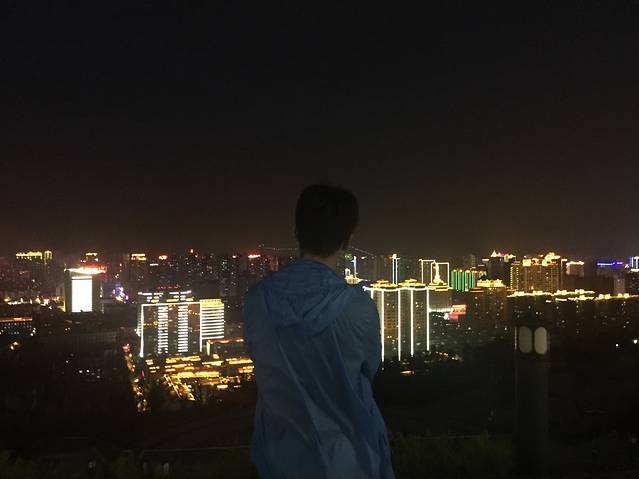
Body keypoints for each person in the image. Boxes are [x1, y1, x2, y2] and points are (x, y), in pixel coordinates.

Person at [244, 184, 394, 479]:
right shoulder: (358, 308)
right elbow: (368, 371)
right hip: (350, 461)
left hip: (280, 461)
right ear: (347, 240)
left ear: (296, 231)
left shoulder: (256, 302)